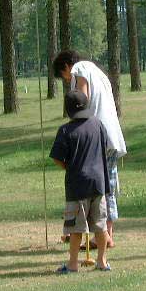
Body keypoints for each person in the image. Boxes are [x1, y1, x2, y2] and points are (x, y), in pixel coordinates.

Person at [53, 50, 126, 248]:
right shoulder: (98, 71)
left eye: (64, 76)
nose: (68, 80)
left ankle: (102, 235)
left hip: (96, 136)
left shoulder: (80, 68)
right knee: (106, 184)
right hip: (108, 133)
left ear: (67, 67)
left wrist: (75, 127)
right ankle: (106, 234)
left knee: (101, 187)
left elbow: (82, 99)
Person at [50, 90, 111, 273]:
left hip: (77, 186)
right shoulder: (98, 125)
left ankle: (73, 264)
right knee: (100, 225)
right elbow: (106, 147)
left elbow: (57, 158)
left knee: (76, 228)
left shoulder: (66, 130)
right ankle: (102, 261)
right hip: (99, 183)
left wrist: (69, 167)